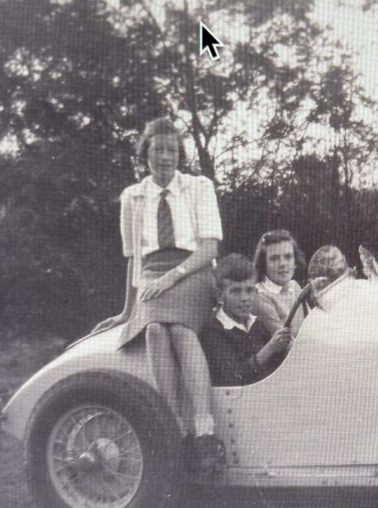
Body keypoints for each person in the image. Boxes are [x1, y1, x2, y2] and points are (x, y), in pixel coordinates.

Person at [93, 117, 223, 468]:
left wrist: (174, 276)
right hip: (152, 273)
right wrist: (126, 310)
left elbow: (210, 249)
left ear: (180, 154)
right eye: (157, 150)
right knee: (153, 329)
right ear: (145, 155)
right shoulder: (132, 197)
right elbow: (134, 259)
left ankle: (205, 431)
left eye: (172, 150)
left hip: (193, 270)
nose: (165, 157)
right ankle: (177, 433)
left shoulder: (199, 187)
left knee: (179, 329)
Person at [200, 254, 292, 386]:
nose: (244, 298)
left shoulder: (258, 324)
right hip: (236, 401)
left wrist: (283, 347)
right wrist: (270, 349)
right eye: (236, 291)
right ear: (220, 296)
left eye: (249, 290)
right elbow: (232, 377)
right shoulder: (213, 331)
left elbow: (278, 366)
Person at [253, 229, 306, 337]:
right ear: (264, 264)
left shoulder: (294, 286)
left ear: (295, 261)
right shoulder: (260, 295)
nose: (282, 264)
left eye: (288, 257)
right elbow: (284, 343)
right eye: (274, 259)